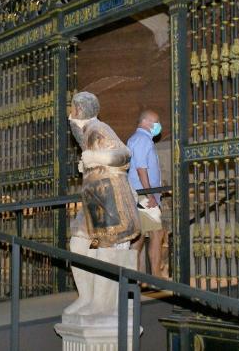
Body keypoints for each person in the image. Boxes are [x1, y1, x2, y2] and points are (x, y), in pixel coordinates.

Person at [63, 91, 140, 317]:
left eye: (72, 109)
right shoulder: (87, 132)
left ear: (78, 110)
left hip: (108, 201)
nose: (70, 114)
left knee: (105, 246)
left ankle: (100, 303)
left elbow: (124, 155)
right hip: (94, 200)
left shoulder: (99, 128)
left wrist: (96, 160)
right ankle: (86, 297)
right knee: (79, 243)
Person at [127, 110, 167, 279]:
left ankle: (134, 277)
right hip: (144, 196)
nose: (158, 126)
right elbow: (141, 169)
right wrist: (150, 194)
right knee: (156, 234)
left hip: (141, 195)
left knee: (139, 237)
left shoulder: (137, 139)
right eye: (156, 122)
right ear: (146, 121)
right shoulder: (142, 139)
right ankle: (156, 276)